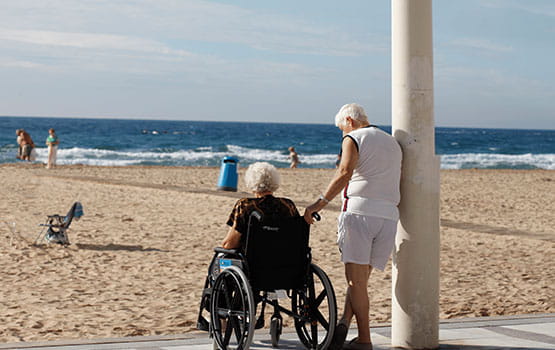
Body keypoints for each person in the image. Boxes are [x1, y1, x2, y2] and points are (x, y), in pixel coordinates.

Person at [303, 103, 402, 350]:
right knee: (360, 282)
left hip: (360, 213)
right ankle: (345, 322)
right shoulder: (392, 142)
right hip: (388, 216)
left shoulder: (353, 138)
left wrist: (318, 204)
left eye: (341, 128)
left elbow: (344, 172)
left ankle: (364, 340)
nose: (342, 134)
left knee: (355, 282)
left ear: (349, 120)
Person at [222, 162, 299, 250]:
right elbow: (296, 236)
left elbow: (229, 244)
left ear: (251, 181)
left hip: (253, 260)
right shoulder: (288, 205)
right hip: (285, 259)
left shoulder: (245, 205)